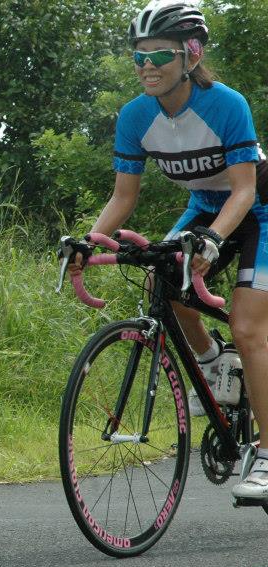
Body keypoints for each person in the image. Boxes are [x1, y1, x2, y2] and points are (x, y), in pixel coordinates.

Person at [70, 0, 268, 501]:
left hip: (260, 209)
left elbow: (243, 192)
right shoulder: (135, 116)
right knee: (166, 280)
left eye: (160, 55)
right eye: (139, 56)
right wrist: (87, 243)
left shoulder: (226, 104)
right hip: (205, 206)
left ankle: (267, 454)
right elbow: (123, 197)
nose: (148, 66)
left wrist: (214, 240)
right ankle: (213, 364)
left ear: (191, 55)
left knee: (248, 325)